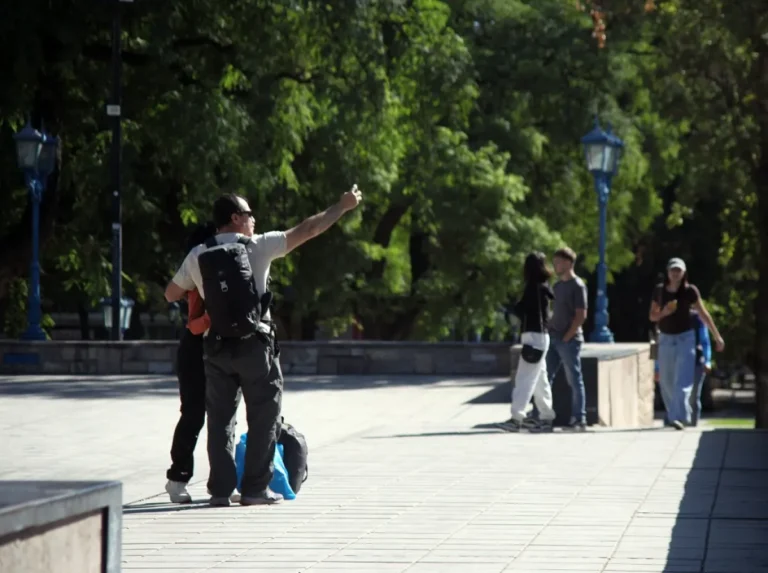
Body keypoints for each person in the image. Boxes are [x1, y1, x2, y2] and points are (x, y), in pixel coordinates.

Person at [165, 186, 363, 506]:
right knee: (263, 416)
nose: (253, 219)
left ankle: (219, 491)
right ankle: (255, 489)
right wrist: (342, 206)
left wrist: (205, 295)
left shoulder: (198, 255)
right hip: (256, 344)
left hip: (215, 348)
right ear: (235, 218)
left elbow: (171, 293)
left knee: (220, 420)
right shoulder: (259, 246)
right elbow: (309, 228)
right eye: (249, 214)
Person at [164, 222, 221, 504]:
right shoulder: (200, 266)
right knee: (195, 414)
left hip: (212, 344)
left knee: (218, 415)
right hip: (198, 345)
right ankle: (178, 477)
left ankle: (221, 480)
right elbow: (191, 318)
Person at [649, 257, 724, 430]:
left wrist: (717, 336)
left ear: (684, 273)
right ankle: (675, 414)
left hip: (685, 339)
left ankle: (678, 417)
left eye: (679, 270)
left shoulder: (690, 291)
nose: (675, 273)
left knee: (683, 381)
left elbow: (704, 314)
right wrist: (664, 312)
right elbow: (652, 317)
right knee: (666, 382)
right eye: (672, 270)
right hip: (666, 339)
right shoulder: (659, 291)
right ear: (668, 272)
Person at [498, 252, 556, 432]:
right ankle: (546, 417)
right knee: (539, 379)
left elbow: (522, 308)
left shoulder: (532, 287)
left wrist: (514, 307)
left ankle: (517, 418)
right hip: (541, 335)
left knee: (524, 378)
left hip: (533, 335)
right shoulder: (544, 286)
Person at [546, 247, 589, 431]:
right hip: (553, 337)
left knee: (574, 379)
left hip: (569, 340)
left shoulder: (577, 285)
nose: (555, 265)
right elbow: (556, 311)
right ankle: (542, 416)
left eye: (559, 262)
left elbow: (581, 315)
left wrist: (567, 336)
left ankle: (579, 419)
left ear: (569, 263)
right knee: (545, 378)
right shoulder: (557, 286)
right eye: (554, 262)